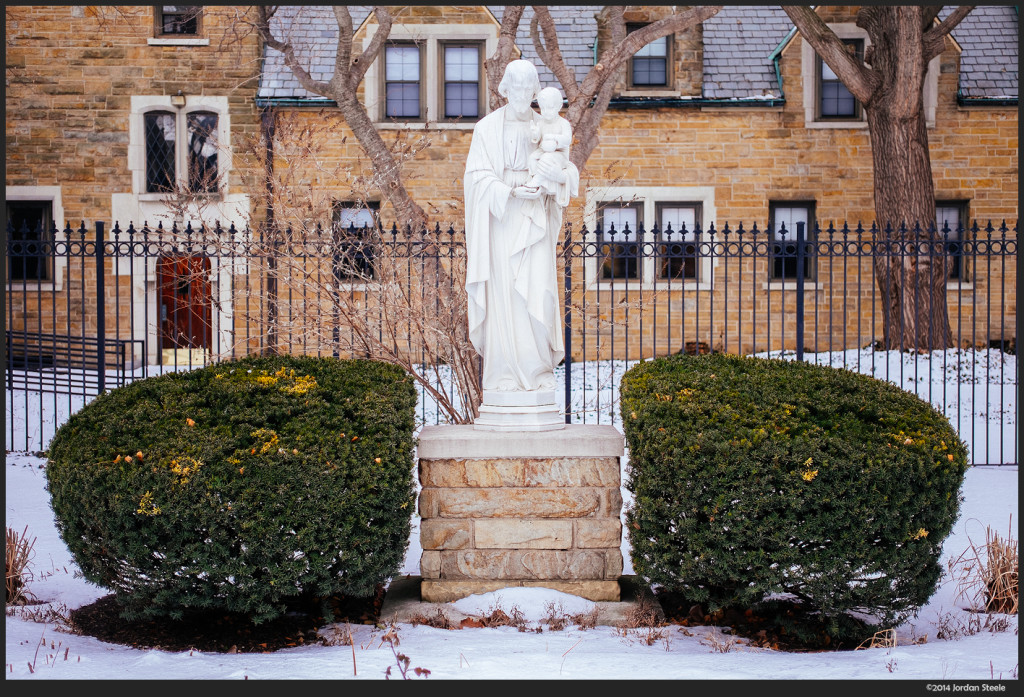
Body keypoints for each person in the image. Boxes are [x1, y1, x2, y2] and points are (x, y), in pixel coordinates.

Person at [464, 60, 579, 394]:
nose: (520, 94)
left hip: (535, 218)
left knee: (537, 290)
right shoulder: (486, 128)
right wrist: (510, 190)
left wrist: (553, 180)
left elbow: (568, 169)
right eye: (514, 87)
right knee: (505, 295)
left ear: (534, 91)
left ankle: (539, 369)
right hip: (501, 219)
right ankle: (503, 375)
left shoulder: (547, 124)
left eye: (527, 88)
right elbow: (475, 178)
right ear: (505, 88)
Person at [526, 87, 573, 198]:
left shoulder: (563, 123)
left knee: (546, 158)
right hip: (543, 151)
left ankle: (538, 180)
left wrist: (554, 139)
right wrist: (535, 134)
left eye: (550, 108)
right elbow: (538, 139)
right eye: (543, 108)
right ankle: (535, 176)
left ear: (559, 107)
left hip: (559, 155)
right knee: (532, 158)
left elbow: (567, 139)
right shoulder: (541, 123)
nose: (546, 112)